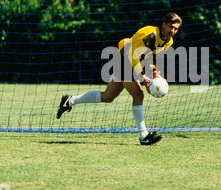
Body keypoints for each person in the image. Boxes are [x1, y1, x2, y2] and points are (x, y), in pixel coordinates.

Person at [56, 12, 182, 145]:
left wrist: (155, 73)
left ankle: (69, 101)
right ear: (163, 24)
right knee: (138, 95)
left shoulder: (169, 41)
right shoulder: (149, 35)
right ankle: (144, 136)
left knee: (108, 97)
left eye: (176, 29)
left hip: (132, 62)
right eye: (171, 27)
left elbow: (151, 58)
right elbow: (133, 56)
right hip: (124, 58)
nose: (173, 31)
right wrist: (144, 78)